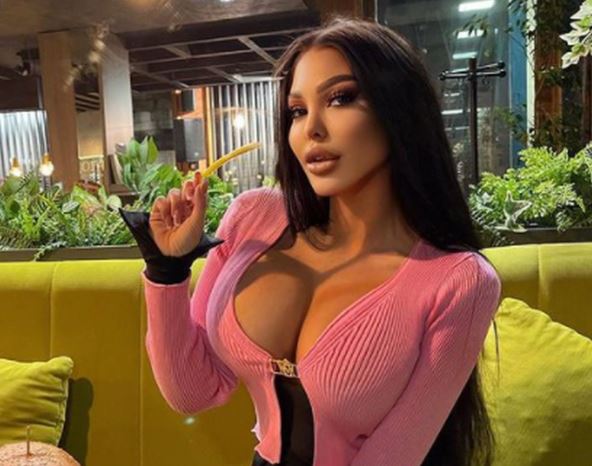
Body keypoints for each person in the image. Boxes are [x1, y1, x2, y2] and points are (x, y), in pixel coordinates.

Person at [119, 15, 502, 466]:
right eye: (298, 111)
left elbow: (393, 456)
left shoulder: (459, 281)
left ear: (400, 110)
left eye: (341, 98)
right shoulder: (253, 219)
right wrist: (167, 270)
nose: (311, 129)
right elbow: (192, 393)